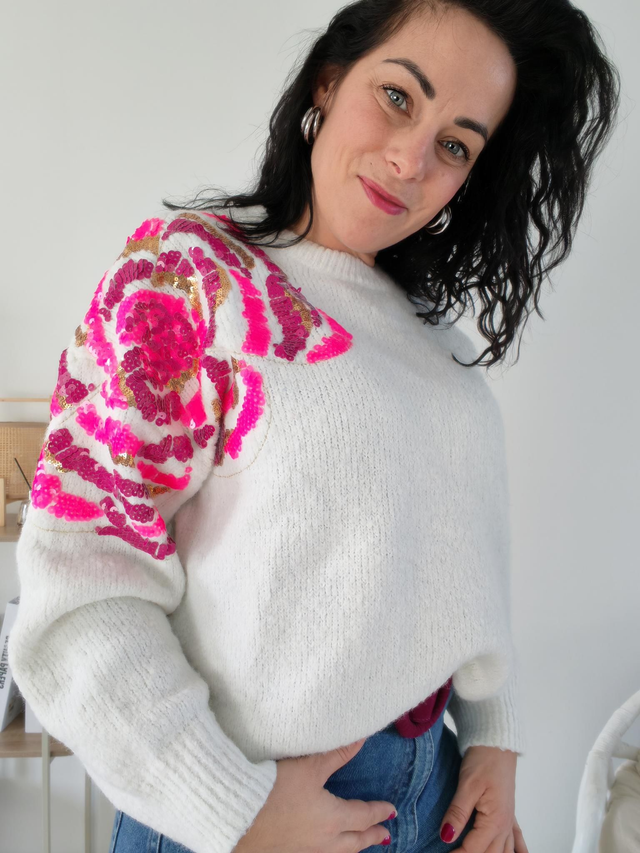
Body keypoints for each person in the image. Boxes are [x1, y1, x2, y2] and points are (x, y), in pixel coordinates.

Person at [8, 1, 620, 852]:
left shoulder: (431, 334)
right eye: (399, 97)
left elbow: (458, 557)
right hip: (251, 805)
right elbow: (81, 588)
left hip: (436, 793)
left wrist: (495, 731)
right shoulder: (188, 275)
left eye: (455, 145)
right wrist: (230, 806)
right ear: (329, 82)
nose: (411, 159)